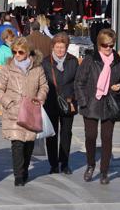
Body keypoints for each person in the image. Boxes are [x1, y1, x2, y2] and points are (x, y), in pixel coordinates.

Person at [75, 29, 120, 184]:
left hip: (110, 104)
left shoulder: (119, 61)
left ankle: (104, 171)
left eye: (110, 45)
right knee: (90, 136)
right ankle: (91, 164)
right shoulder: (90, 60)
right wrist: (83, 101)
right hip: (91, 103)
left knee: (107, 138)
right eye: (104, 45)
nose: (108, 48)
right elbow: (79, 82)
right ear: (99, 44)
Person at [0, 37, 48, 186]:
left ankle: (24, 169)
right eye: (14, 52)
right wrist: (8, 103)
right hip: (13, 112)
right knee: (17, 144)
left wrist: (39, 98)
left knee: (29, 143)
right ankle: (18, 175)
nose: (17, 54)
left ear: (28, 52)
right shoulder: (7, 68)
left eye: (20, 52)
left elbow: (44, 86)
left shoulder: (37, 68)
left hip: (30, 110)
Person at [42, 32, 79, 174]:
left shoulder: (73, 61)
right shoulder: (46, 62)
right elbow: (42, 82)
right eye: (57, 47)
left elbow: (78, 82)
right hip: (51, 102)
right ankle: (53, 164)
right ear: (53, 47)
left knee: (66, 133)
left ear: (66, 48)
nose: (60, 50)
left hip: (68, 102)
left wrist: (73, 97)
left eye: (62, 47)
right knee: (52, 135)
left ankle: (64, 163)